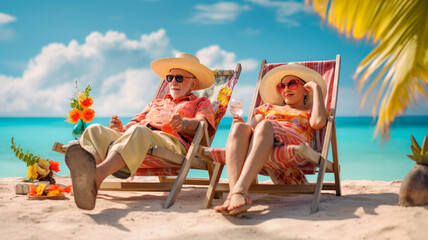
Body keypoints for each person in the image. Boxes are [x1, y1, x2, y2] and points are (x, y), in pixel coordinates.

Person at [65, 53, 216, 210]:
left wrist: (184, 123)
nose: (172, 82)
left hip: (172, 142)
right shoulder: (155, 103)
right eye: (169, 78)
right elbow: (134, 124)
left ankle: (97, 176)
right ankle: (86, 179)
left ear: (193, 83)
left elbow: (202, 124)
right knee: (94, 130)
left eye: (179, 78)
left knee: (139, 131)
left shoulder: (201, 102)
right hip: (138, 138)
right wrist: (120, 129)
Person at [215, 63, 328, 215]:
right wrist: (242, 125)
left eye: (292, 84)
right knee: (239, 128)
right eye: (281, 86)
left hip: (294, 142)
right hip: (264, 141)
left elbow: (319, 123)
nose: (286, 89)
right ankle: (234, 194)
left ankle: (240, 191)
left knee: (266, 124)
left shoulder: (309, 111)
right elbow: (250, 127)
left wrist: (317, 89)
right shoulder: (267, 107)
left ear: (305, 89)